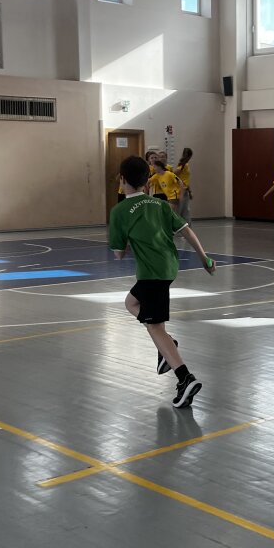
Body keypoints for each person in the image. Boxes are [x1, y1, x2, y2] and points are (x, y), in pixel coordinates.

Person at [110, 155, 216, 409]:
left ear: (122, 180)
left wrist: (127, 239)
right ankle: (167, 344)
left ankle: (185, 378)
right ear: (147, 180)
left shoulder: (119, 211)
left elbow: (119, 254)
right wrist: (204, 259)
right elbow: (186, 230)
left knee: (154, 326)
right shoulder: (160, 205)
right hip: (168, 268)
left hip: (152, 273)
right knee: (131, 303)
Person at [174, 148, 193, 221]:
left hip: (185, 189)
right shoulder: (184, 165)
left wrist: (190, 191)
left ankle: (185, 225)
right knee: (183, 211)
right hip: (182, 190)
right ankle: (183, 225)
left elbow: (186, 179)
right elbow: (174, 174)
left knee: (184, 210)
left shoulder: (183, 165)